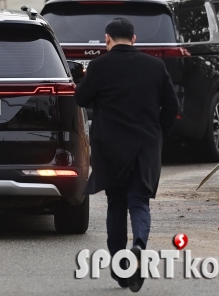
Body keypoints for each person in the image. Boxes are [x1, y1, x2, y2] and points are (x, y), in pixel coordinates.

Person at [75, 18, 178, 292]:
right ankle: (139, 245)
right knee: (139, 202)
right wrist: (158, 136)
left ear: (107, 39)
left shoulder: (99, 66)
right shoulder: (155, 66)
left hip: (111, 148)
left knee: (117, 206)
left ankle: (122, 271)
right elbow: (171, 106)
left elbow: (80, 99)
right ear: (134, 39)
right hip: (145, 147)